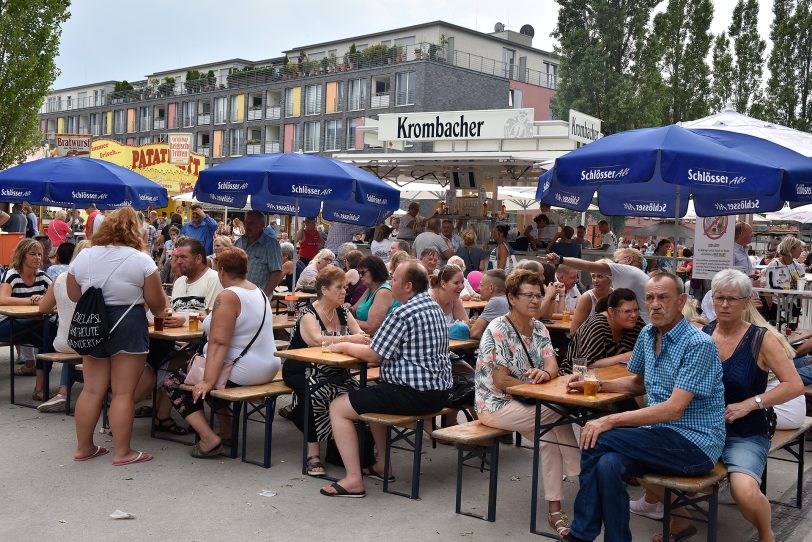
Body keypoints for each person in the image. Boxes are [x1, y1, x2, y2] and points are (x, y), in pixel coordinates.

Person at [637, 269, 803, 542]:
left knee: (745, 491)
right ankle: (680, 522)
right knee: (638, 461)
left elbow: (793, 385)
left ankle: (766, 534)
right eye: (720, 298)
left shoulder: (761, 339)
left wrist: (750, 404)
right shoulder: (701, 333)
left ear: (746, 302)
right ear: (711, 300)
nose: (725, 304)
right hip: (698, 427)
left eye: (732, 299)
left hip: (744, 430)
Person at [563, 272, 725, 542]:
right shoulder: (649, 334)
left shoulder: (698, 344)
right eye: (649, 298)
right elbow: (638, 383)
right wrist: (596, 384)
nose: (655, 304)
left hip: (695, 444)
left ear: (681, 300)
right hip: (659, 436)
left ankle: (581, 534)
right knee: (608, 465)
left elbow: (674, 409)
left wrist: (612, 420)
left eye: (663, 297)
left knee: (598, 436)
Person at [323, 260, 452, 497]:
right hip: (439, 393)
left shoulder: (403, 312)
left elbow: (374, 355)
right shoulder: (434, 306)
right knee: (372, 396)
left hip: (412, 394)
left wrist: (341, 346)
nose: (391, 282)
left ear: (408, 286)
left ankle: (353, 480)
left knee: (338, 407)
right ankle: (382, 465)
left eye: (395, 279)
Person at [475, 269, 579, 536]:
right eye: (529, 295)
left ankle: (555, 511)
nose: (535, 300)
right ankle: (583, 471)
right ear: (511, 297)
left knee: (549, 440)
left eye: (538, 295)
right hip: (495, 405)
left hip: (529, 404)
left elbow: (552, 365)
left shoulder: (539, 327)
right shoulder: (497, 330)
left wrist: (545, 373)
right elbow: (500, 381)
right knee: (558, 412)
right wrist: (533, 385)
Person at [67, 207, 168, 465]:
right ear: (136, 231)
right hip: (128, 323)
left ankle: (84, 447)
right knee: (123, 393)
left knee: (91, 390)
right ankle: (123, 452)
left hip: (93, 323)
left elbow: (74, 295)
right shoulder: (141, 260)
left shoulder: (85, 255)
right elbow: (157, 305)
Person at [163, 248, 281, 458]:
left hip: (244, 369)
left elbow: (218, 342)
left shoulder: (228, 295)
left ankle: (209, 439)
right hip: (268, 366)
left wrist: (207, 381)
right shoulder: (258, 291)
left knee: (174, 382)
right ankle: (226, 432)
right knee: (204, 372)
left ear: (222, 270)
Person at [283, 266, 372, 475]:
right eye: (339, 287)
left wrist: (355, 338)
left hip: (334, 368)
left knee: (355, 393)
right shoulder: (308, 313)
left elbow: (362, 336)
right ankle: (312, 454)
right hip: (301, 368)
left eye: (345, 287)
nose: (344, 291)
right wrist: (349, 338)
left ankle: (341, 449)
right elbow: (316, 341)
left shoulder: (343, 311)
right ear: (324, 289)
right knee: (315, 393)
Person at [36, 240, 91, 413]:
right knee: (91, 342)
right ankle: (109, 393)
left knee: (75, 338)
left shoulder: (60, 278)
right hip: (88, 343)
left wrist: (60, 304)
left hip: (62, 343)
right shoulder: (95, 280)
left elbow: (43, 308)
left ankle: (63, 393)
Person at [0, 239, 52, 399]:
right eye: (32, 254)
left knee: (50, 339)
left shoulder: (42, 277)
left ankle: (39, 389)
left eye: (40, 254)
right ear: (22, 256)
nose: (37, 258)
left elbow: (56, 295)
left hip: (31, 325)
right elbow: (2, 299)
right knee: (47, 332)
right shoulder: (12, 274)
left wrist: (45, 299)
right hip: (7, 324)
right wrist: (33, 300)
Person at [545, 248, 652, 323]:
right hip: (646, 326)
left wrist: (561, 260)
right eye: (594, 277)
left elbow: (589, 266)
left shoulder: (628, 271)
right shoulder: (639, 276)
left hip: (642, 328)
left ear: (628, 260)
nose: (614, 264)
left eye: (616, 261)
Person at [562, 288, 644, 373]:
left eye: (636, 310)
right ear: (611, 311)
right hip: (574, 377)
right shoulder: (597, 325)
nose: (634, 315)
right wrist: (625, 357)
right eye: (627, 311)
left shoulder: (636, 323)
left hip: (616, 377)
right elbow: (582, 366)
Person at [234, 210, 282, 295]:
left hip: (257, 296)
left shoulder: (271, 245)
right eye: (246, 223)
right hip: (237, 294)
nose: (247, 226)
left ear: (262, 225)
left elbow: (276, 272)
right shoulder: (239, 242)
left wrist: (264, 296)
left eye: (252, 223)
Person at [351, 255, 399, 336]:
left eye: (363, 272)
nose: (360, 276)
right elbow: (353, 311)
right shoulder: (370, 289)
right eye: (359, 273)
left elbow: (371, 328)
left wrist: (346, 320)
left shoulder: (383, 292)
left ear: (375, 271)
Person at [762, 235, 805, 320]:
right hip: (776, 307)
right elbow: (767, 289)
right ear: (791, 248)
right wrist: (771, 307)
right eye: (799, 248)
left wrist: (799, 307)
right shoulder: (774, 265)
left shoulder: (798, 267)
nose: (801, 250)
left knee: (792, 332)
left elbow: (800, 290)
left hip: (793, 307)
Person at [569, 262, 612, 334]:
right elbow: (574, 331)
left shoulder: (616, 295)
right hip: (588, 340)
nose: (595, 280)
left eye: (600, 276)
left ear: (610, 278)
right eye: (593, 276)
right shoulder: (587, 297)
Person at [468, 269, 509, 340]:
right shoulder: (507, 298)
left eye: (481, 285)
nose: (478, 288)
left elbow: (474, 333)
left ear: (491, 287)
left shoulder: (496, 301)